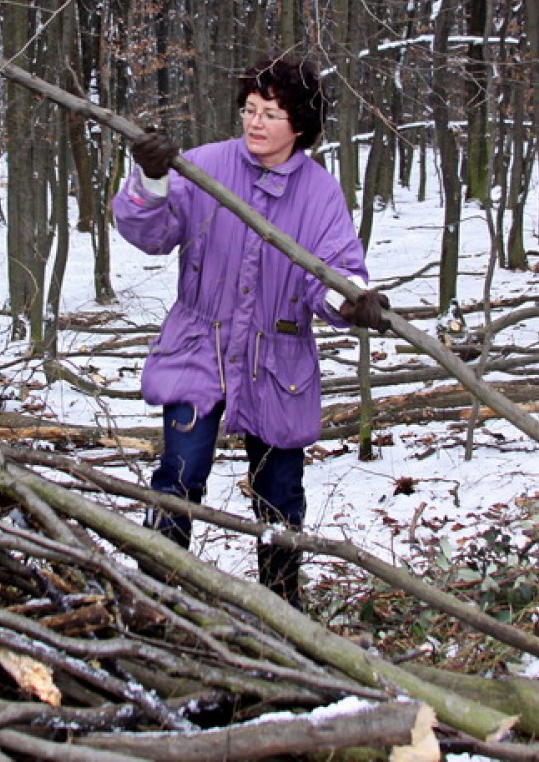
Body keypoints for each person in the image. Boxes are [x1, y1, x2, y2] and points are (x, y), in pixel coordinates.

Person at [111, 54, 391, 608]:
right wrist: (152, 178)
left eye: (270, 113)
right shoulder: (204, 166)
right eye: (249, 109)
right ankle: (155, 597)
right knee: (180, 473)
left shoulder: (319, 194)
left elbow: (332, 270)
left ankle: (283, 610)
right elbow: (152, 233)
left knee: (280, 495)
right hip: (198, 350)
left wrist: (352, 302)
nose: (254, 122)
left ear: (301, 126)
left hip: (278, 365)